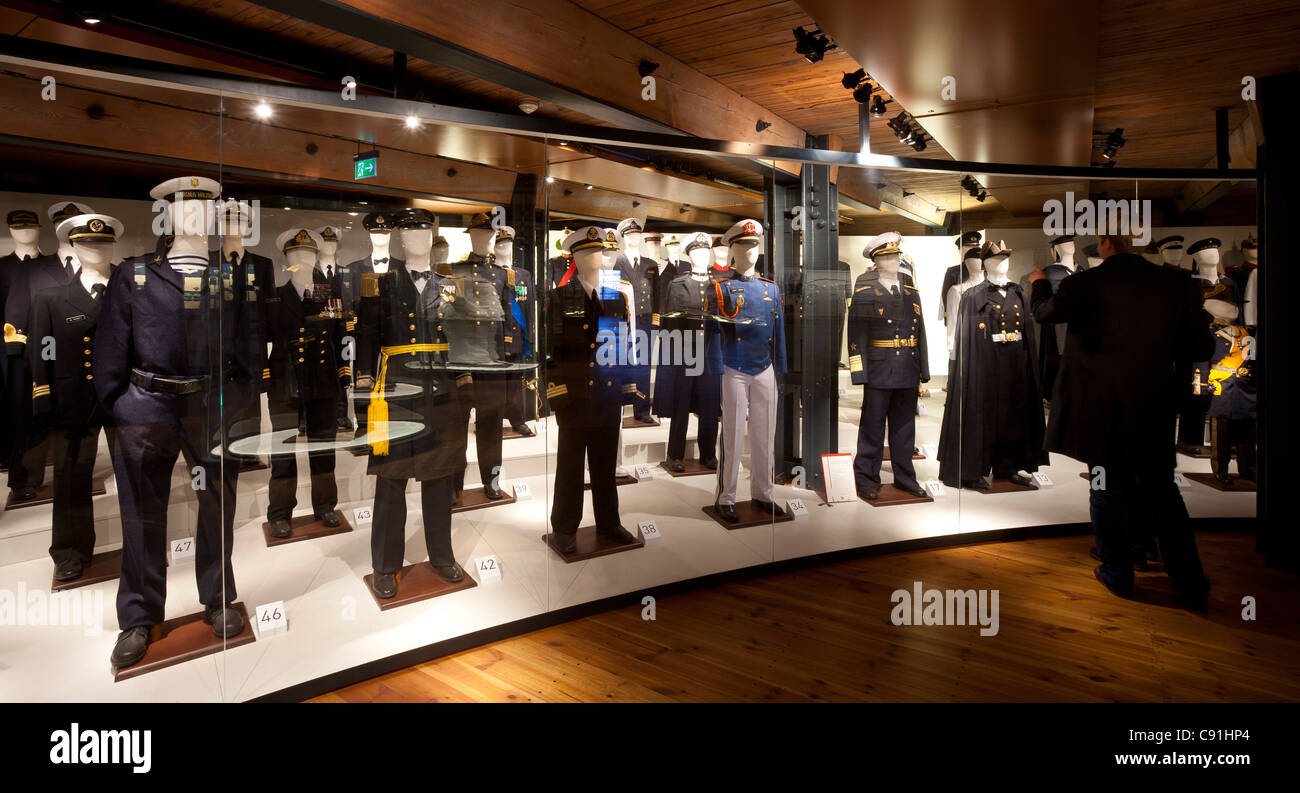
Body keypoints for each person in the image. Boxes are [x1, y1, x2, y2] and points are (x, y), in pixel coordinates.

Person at [1030, 235, 1213, 608]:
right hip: (1153, 405)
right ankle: (1191, 583)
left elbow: (1044, 314)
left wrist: (1039, 285)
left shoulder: (1084, 283)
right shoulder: (1176, 283)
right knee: (1163, 492)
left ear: (1105, 243)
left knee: (1106, 488)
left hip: (1100, 409)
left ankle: (1118, 575)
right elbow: (1200, 348)